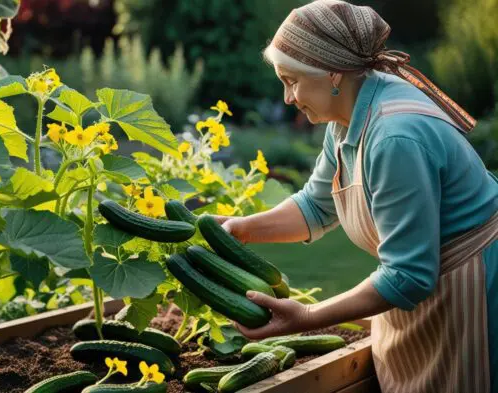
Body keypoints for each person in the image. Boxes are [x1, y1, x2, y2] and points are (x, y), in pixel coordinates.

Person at [213, 1, 498, 392]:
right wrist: (240, 229)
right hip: (426, 296)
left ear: (332, 72)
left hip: (471, 296)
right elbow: (315, 205)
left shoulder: (394, 136)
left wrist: (307, 315)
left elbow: (409, 275)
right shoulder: (350, 113)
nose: (287, 99)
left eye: (291, 80)